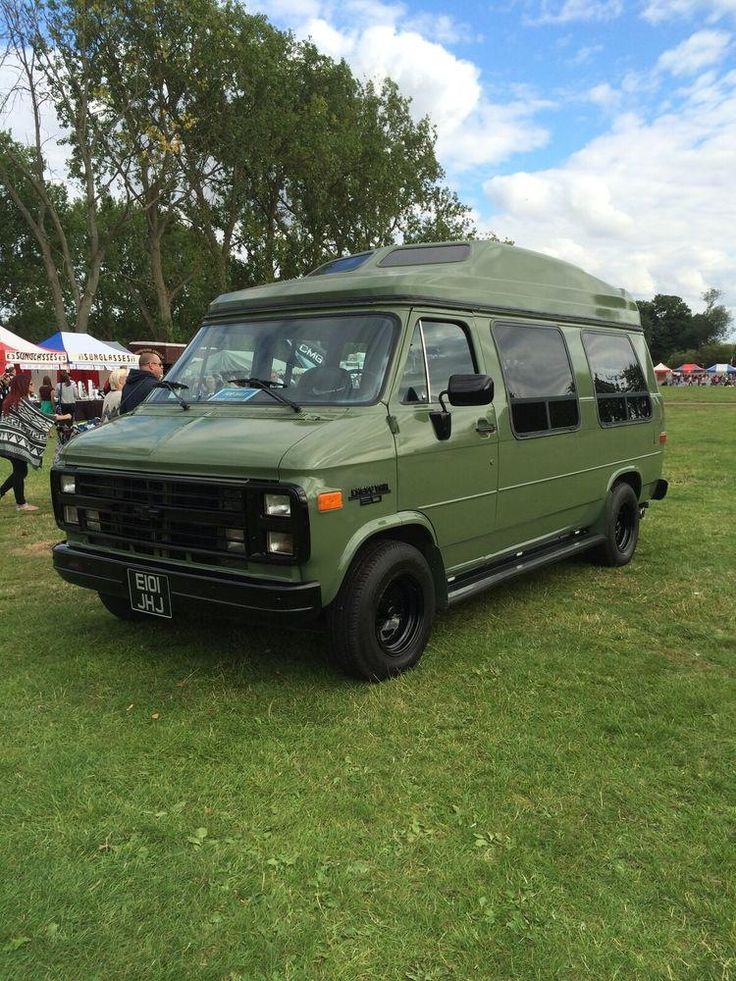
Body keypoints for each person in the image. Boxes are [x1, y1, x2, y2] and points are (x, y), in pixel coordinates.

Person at [0, 371, 52, 512]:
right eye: (30, 383)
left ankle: (2, 493)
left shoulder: (11, 398)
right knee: (20, 470)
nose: (33, 385)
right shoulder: (21, 401)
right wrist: (62, 416)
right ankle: (21, 504)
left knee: (20, 471)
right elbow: (38, 417)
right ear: (23, 385)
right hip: (12, 442)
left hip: (6, 440)